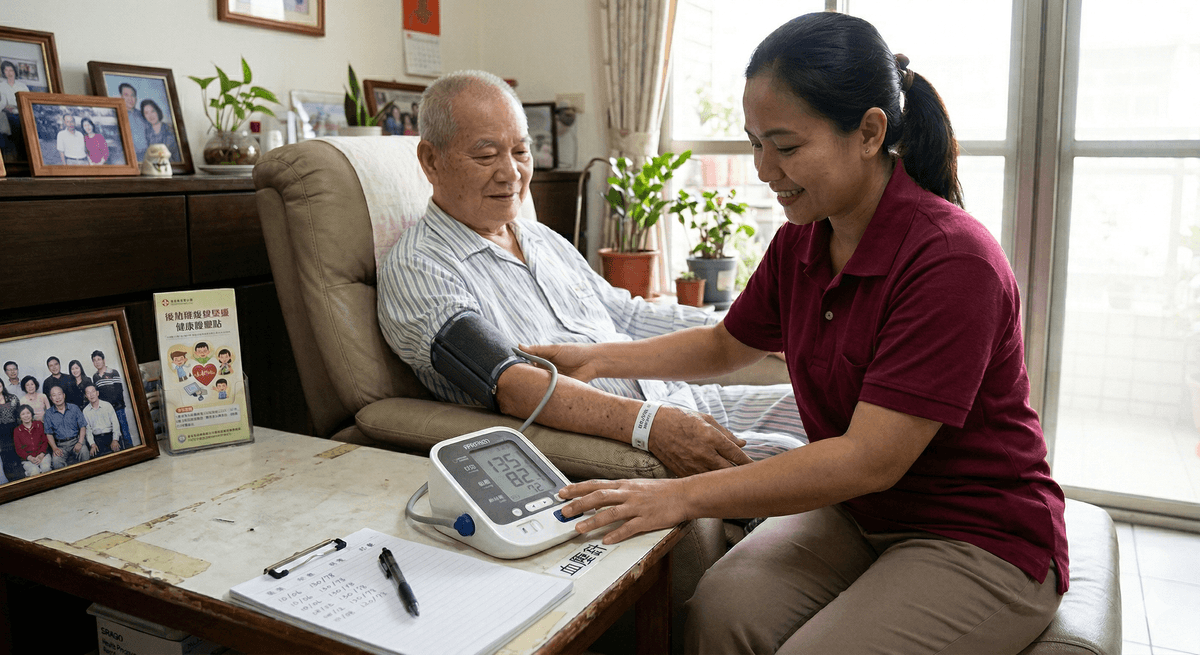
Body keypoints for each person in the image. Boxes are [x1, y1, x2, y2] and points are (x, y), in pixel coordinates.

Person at [540, 13, 1069, 655]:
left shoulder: (953, 262)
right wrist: (595, 358)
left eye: (786, 147)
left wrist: (680, 497)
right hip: (862, 514)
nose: (764, 169)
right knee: (719, 611)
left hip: (976, 533)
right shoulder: (803, 239)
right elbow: (725, 345)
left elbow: (869, 457)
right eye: (755, 142)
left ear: (870, 132)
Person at [376, 70, 807, 479]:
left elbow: (629, 316)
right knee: (807, 461)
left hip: (678, 399)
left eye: (521, 151)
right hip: (627, 436)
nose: (511, 173)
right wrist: (651, 425)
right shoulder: (421, 268)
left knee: (827, 411)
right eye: (486, 155)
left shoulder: (541, 239)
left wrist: (762, 336)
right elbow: (509, 381)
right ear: (431, 161)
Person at [91, 350, 132, 449]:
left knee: (124, 430)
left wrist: (114, 406)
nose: (97, 362)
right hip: (106, 410)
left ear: (103, 360)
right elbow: (98, 395)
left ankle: (130, 450)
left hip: (118, 407)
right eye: (94, 360)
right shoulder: (95, 377)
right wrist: (105, 408)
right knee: (113, 432)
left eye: (99, 359)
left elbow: (119, 390)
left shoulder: (113, 372)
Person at [44, 385, 92, 468]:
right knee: (56, 461)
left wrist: (80, 442)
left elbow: (83, 426)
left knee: (84, 451)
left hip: (75, 441)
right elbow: (49, 433)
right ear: (51, 398)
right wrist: (55, 448)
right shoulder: (48, 413)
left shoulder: (74, 408)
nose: (57, 398)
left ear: (64, 395)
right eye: (54, 395)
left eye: (59, 394)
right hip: (60, 445)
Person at [0, 60, 29, 162]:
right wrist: (6, 107)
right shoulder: (2, 86)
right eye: (6, 70)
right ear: (3, 72)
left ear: (14, 71)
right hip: (7, 113)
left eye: (11, 70)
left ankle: (25, 156)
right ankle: (18, 157)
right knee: (14, 122)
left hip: (23, 111)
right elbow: (3, 103)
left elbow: (28, 101)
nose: (9, 73)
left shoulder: (22, 86)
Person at [82, 383, 121, 456]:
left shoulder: (107, 405)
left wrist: (115, 440)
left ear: (97, 393)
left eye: (93, 391)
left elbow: (115, 424)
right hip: (97, 439)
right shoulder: (85, 411)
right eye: (88, 393)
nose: (91, 395)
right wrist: (92, 444)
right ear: (86, 396)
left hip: (110, 436)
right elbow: (88, 430)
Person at [13, 405, 52, 478]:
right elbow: (19, 449)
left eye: (28, 413)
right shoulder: (17, 430)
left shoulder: (39, 424)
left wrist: (41, 454)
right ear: (20, 417)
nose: (26, 416)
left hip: (43, 455)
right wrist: (30, 458)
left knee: (45, 468)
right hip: (28, 459)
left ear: (32, 414)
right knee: (35, 472)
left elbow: (45, 441)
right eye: (23, 414)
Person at [119, 83, 149, 161]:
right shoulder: (117, 114)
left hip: (146, 156)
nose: (130, 98)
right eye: (126, 95)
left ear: (136, 98)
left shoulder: (143, 115)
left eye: (132, 95)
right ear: (121, 97)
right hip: (127, 158)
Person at [0, 388, 21, 483]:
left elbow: (19, 413)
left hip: (14, 428)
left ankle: (22, 479)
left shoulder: (12, 397)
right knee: (6, 457)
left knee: (17, 453)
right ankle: (12, 482)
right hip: (1, 433)